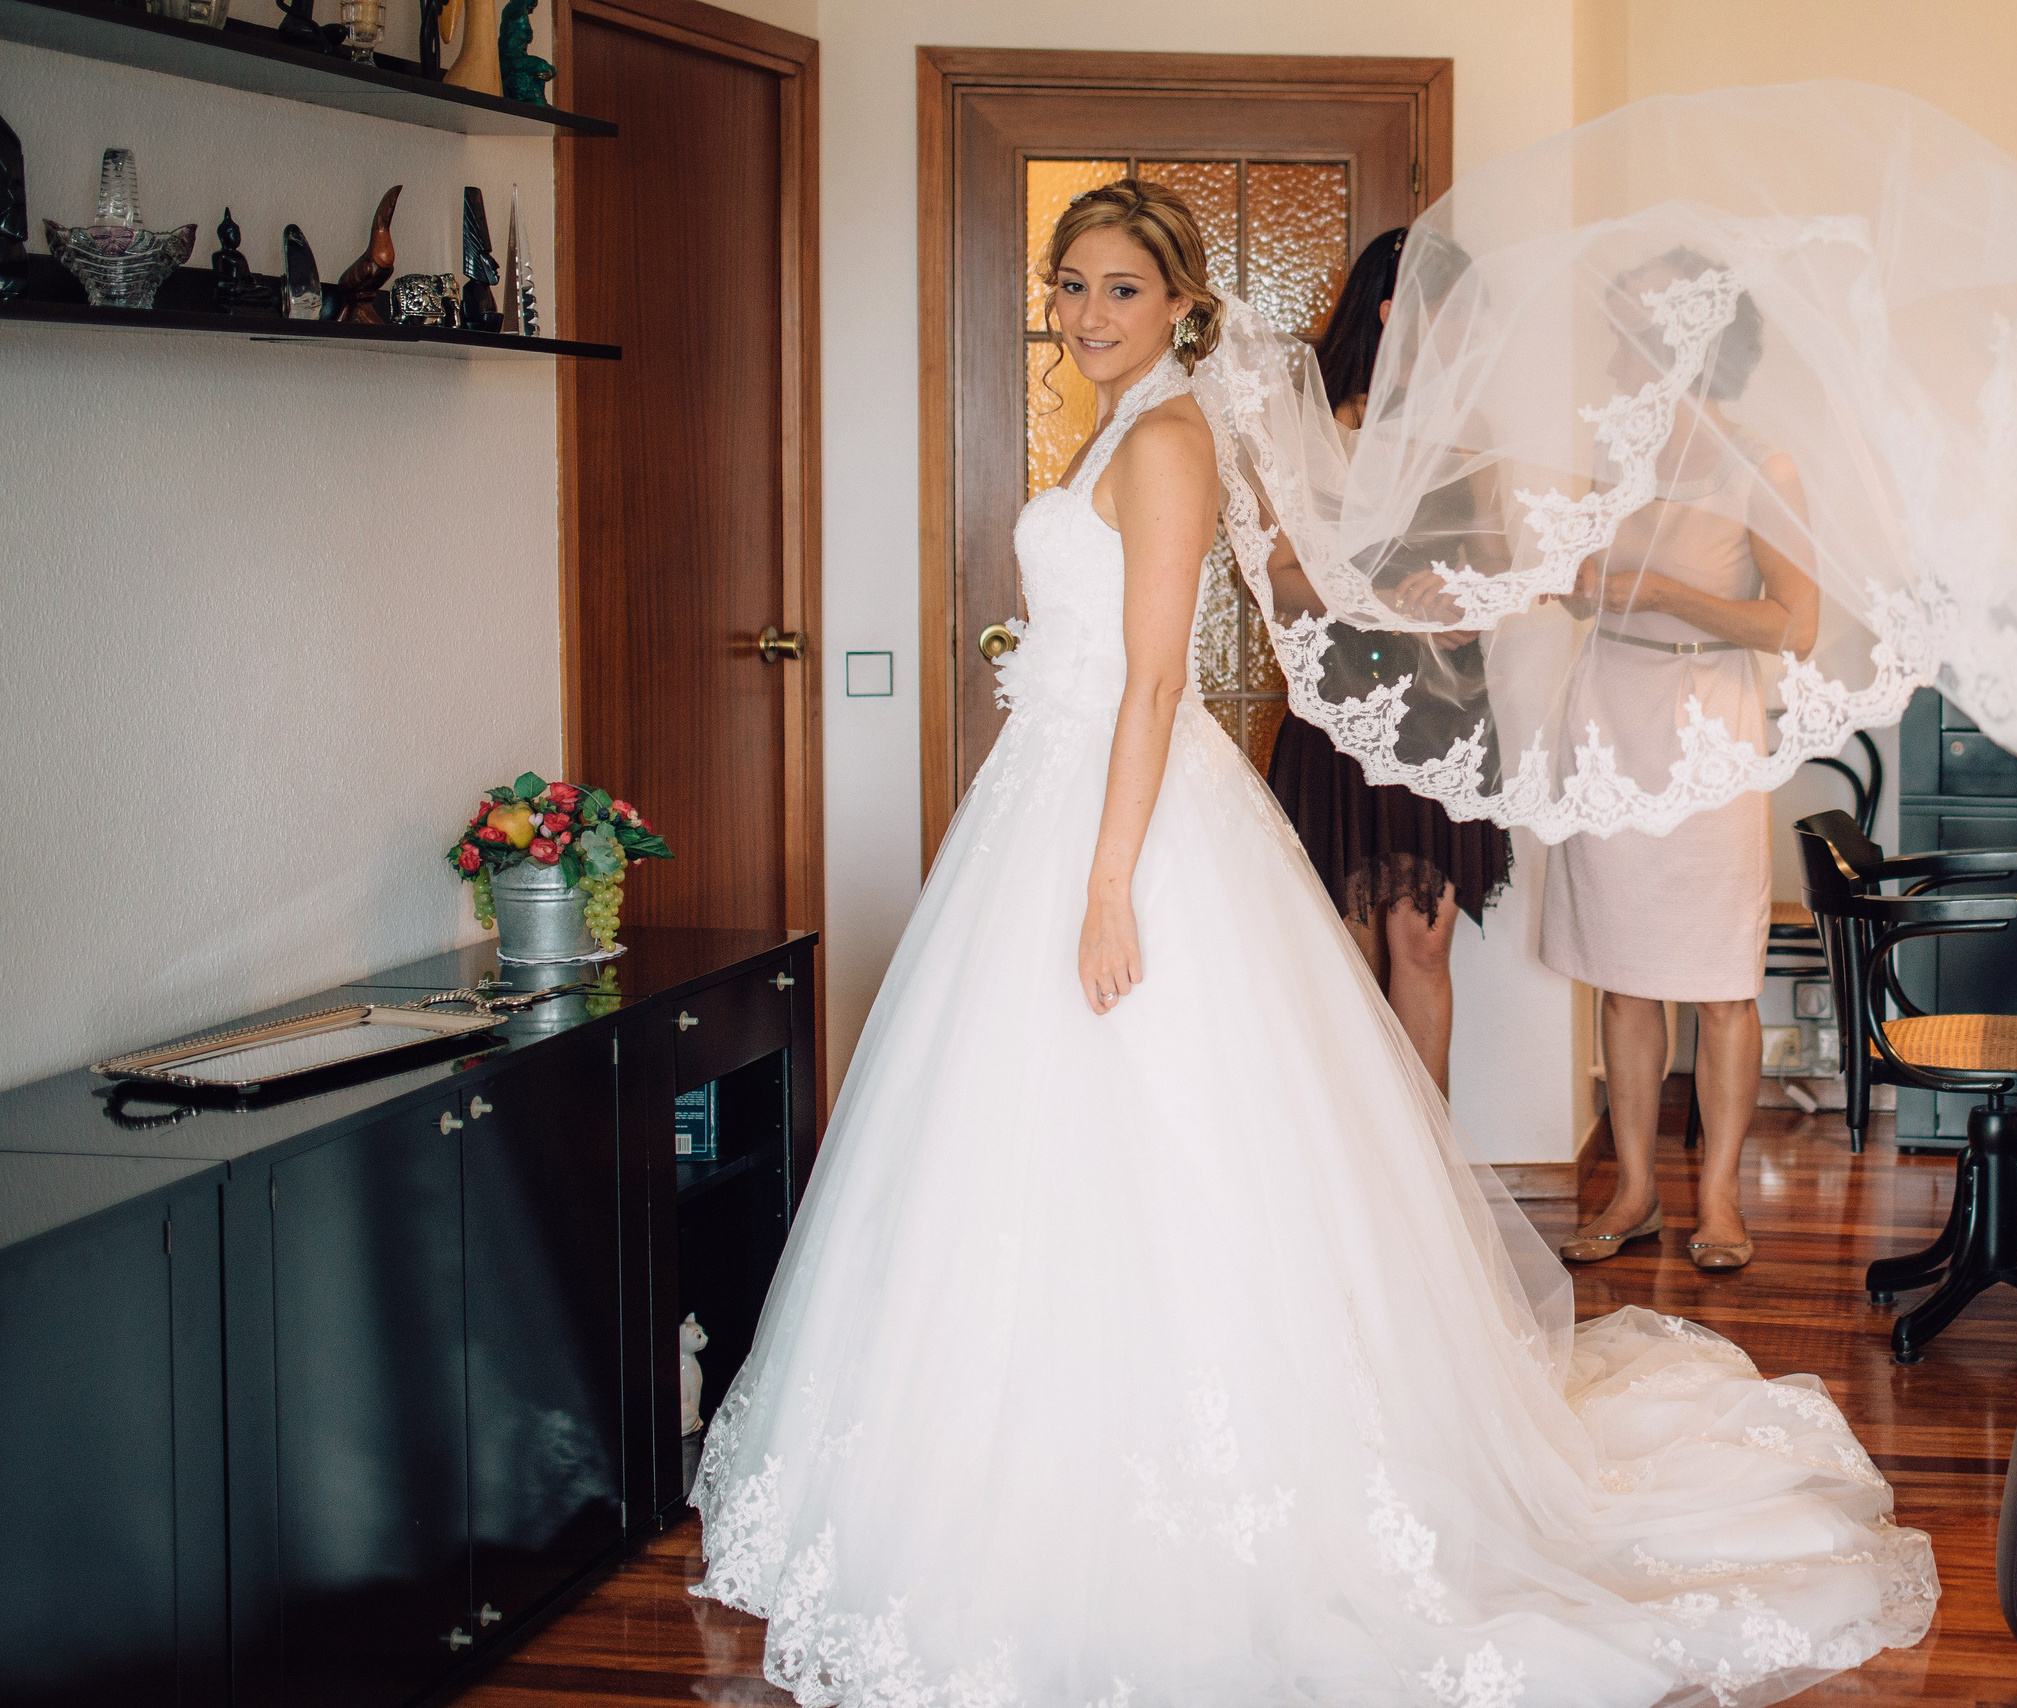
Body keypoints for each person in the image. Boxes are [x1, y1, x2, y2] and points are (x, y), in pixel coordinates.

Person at [688, 179, 1932, 1706]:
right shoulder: (1124, 424)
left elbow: (1155, 685)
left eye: (1119, 292)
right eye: (1069, 287)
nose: (1084, 315)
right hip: (1055, 791)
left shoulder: (1161, 438)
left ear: (1182, 306)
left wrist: (1105, 886)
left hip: (1118, 812)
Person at [1539, 277, 1820, 1274]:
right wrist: (1576, 589)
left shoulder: (1760, 464)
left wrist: (1663, 592)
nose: (1615, 363)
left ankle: (1718, 1196)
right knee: (1622, 975)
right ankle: (1636, 1187)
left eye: (1630, 345)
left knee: (1717, 977)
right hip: (1609, 714)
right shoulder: (1612, 459)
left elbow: (1796, 622)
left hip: (1708, 726)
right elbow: (1585, 590)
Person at [1263, 227, 1512, 1094]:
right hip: (1344, 706)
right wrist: (1383, 602)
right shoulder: (1314, 430)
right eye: (1460, 318)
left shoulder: (1469, 431)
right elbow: (1278, 581)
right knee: (1348, 951)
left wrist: (1463, 598)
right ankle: (1367, 1180)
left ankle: (1432, 1173)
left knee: (1426, 945)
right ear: (1394, 317)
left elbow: (1495, 559)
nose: (1476, 338)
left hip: (1446, 714)